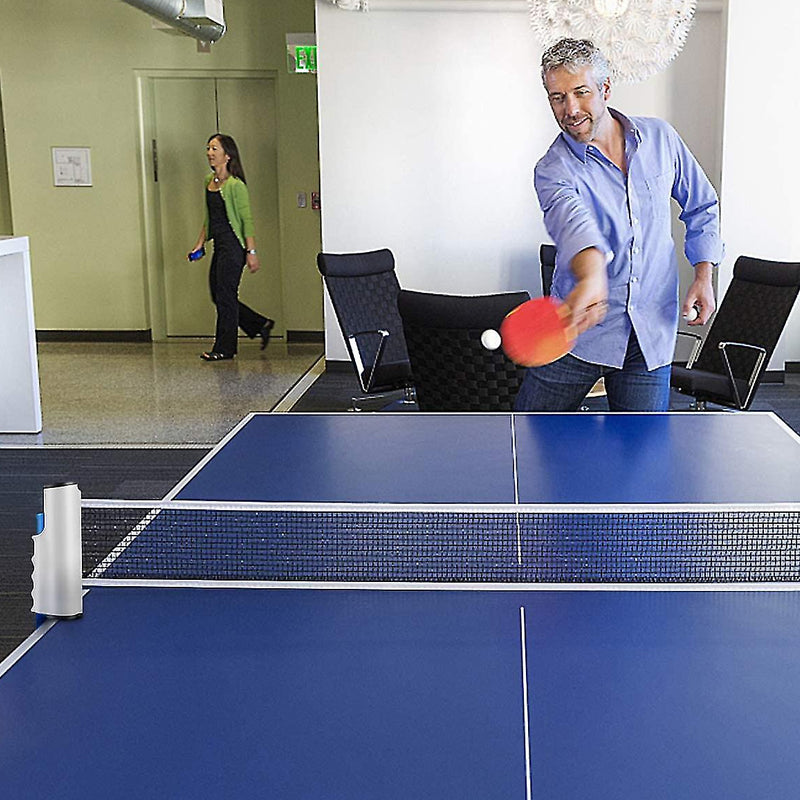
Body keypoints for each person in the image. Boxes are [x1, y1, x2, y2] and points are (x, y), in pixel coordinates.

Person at [514, 38, 724, 412]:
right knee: (529, 441)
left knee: (641, 460)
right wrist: (593, 275)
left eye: (581, 92)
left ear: (605, 88)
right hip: (578, 331)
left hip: (651, 333)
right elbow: (574, 227)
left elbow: (702, 204)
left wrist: (704, 276)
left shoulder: (661, 139)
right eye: (557, 97)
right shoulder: (553, 169)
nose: (570, 109)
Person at [189, 133, 274, 361]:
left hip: (234, 247)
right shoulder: (208, 182)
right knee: (218, 294)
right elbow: (209, 219)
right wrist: (199, 244)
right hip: (219, 246)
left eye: (214, 149)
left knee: (226, 296)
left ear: (227, 156)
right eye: (208, 148)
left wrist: (251, 252)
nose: (209, 153)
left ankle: (225, 348)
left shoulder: (236, 186)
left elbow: (247, 222)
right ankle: (260, 324)